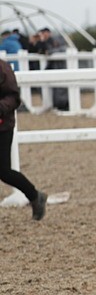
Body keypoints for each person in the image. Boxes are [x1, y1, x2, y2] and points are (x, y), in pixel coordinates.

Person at [0, 56, 47, 220]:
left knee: (4, 171)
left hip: (2, 126)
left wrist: (0, 108)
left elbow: (14, 97)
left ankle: (35, 196)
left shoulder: (3, 68)